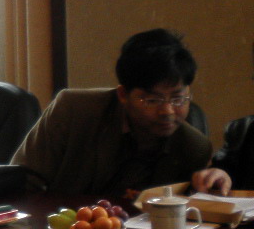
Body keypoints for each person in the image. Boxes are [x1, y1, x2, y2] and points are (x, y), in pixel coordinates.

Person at [11, 28, 214, 197]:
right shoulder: (73, 110)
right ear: (123, 94)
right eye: (152, 100)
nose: (167, 111)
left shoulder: (194, 149)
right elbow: (21, 181)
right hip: (59, 226)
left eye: (178, 99)